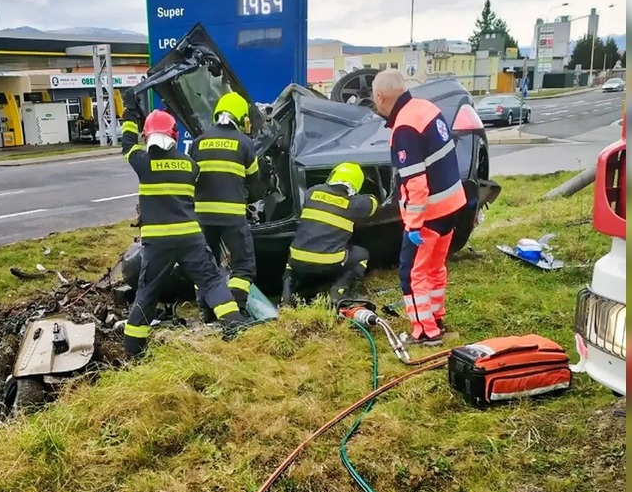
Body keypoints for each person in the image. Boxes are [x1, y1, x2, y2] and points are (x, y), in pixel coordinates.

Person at [119, 97, 245, 359]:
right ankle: (236, 329)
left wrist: (130, 113)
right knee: (212, 282)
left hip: (157, 243)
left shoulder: (142, 163)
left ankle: (132, 351)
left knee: (147, 292)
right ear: (174, 135)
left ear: (148, 136)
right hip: (190, 238)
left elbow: (127, 143)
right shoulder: (190, 165)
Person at [371, 69, 467, 346]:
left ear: (380, 97)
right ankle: (436, 318)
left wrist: (413, 225)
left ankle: (425, 332)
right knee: (434, 267)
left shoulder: (404, 127)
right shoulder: (426, 108)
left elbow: (415, 183)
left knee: (411, 273)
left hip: (428, 213)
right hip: (451, 204)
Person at [191, 91, 262, 313]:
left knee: (206, 265)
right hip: (232, 218)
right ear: (241, 117)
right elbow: (255, 183)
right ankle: (236, 310)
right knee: (243, 266)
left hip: (203, 216)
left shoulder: (198, 143)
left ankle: (206, 310)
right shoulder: (245, 143)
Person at [281, 162, 378, 307]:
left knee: (291, 262)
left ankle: (286, 299)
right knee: (362, 255)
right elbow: (373, 204)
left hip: (298, 260)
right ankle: (338, 293)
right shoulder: (355, 204)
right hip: (328, 263)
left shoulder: (312, 192)